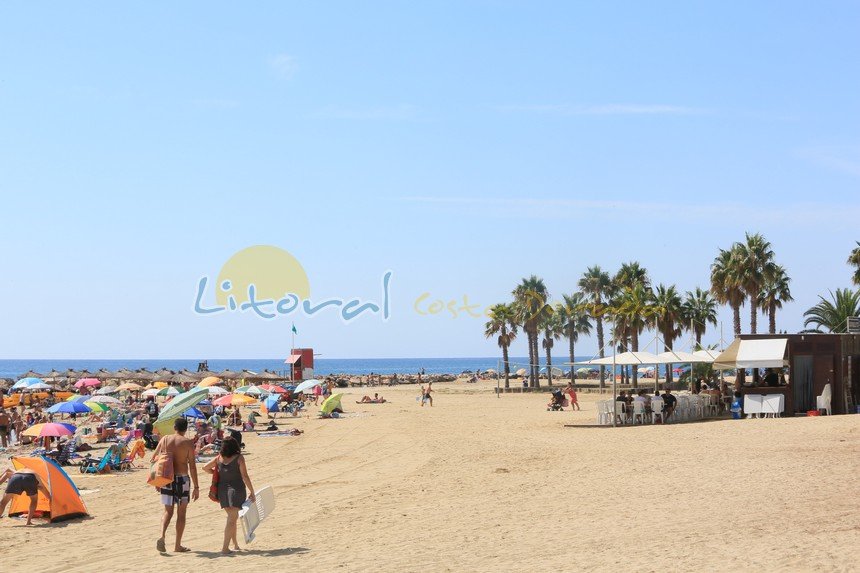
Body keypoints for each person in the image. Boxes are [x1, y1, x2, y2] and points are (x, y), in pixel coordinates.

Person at [153, 418, 199, 553]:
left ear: (174, 427)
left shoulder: (165, 439)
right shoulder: (187, 443)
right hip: (182, 479)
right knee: (181, 513)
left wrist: (157, 480)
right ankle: (177, 545)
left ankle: (161, 536)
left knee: (168, 511)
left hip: (167, 479)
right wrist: (196, 487)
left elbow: (154, 459)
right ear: (185, 429)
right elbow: (193, 467)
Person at [203, 436, 256, 554]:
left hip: (222, 491)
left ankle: (235, 544)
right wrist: (252, 491)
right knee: (232, 519)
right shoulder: (239, 458)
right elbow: (245, 476)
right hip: (236, 490)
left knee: (232, 518)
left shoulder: (218, 458)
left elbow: (204, 467)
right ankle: (225, 548)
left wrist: (216, 474)